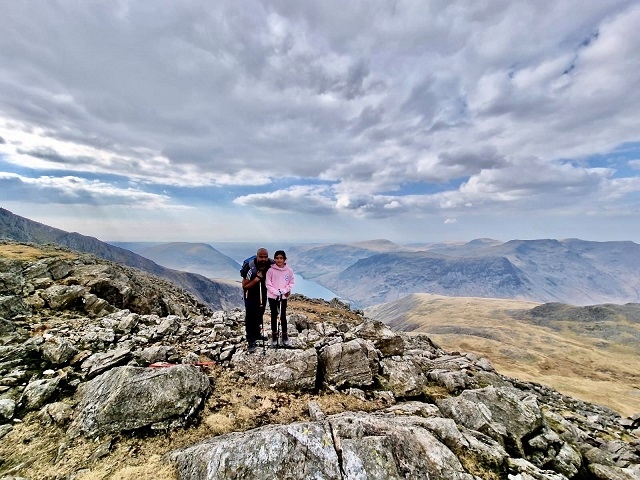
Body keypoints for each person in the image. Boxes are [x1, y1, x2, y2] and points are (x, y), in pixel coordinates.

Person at [242, 247, 272, 353]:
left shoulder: (270, 264)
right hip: (250, 294)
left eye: (265, 257)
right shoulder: (250, 268)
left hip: (263, 293)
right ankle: (250, 341)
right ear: (257, 256)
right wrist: (256, 279)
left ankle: (257, 333)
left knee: (260, 313)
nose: (263, 259)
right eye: (261, 257)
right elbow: (245, 286)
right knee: (250, 316)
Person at [266, 250, 295, 347]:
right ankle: (274, 335)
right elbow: (268, 284)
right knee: (274, 315)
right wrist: (276, 292)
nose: (279, 260)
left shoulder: (289, 271)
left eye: (281, 258)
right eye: (277, 258)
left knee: (283, 315)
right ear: (274, 259)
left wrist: (284, 290)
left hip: (283, 297)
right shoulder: (270, 270)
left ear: (284, 259)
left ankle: (285, 335)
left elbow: (291, 282)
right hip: (272, 297)